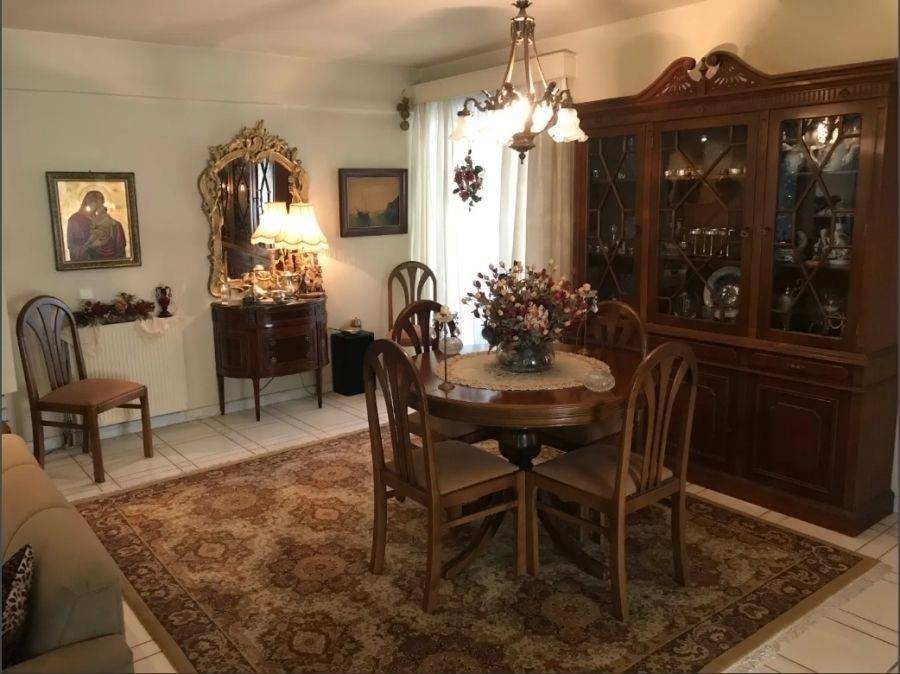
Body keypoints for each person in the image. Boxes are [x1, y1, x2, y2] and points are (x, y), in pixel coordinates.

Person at [66, 190, 127, 261]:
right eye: (96, 202)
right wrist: (88, 246)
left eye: (101, 203)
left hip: (109, 259)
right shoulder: (75, 220)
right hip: (87, 258)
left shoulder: (102, 218)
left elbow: (109, 224)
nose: (99, 206)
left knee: (117, 226)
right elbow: (74, 247)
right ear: (87, 202)